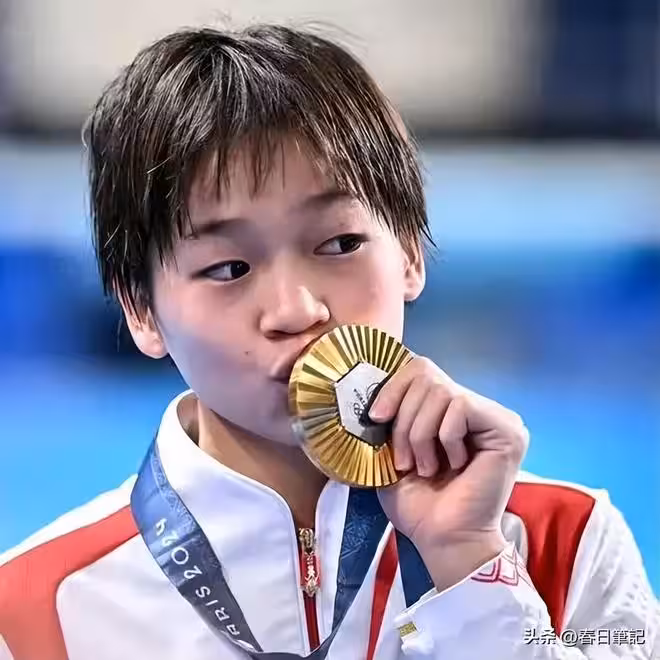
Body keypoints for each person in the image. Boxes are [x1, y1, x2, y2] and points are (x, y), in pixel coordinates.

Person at [0, 24, 657, 660]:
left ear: (409, 253)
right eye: (229, 268)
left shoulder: (566, 544)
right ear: (141, 310)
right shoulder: (33, 611)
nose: (297, 310)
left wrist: (469, 563)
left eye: (340, 244)